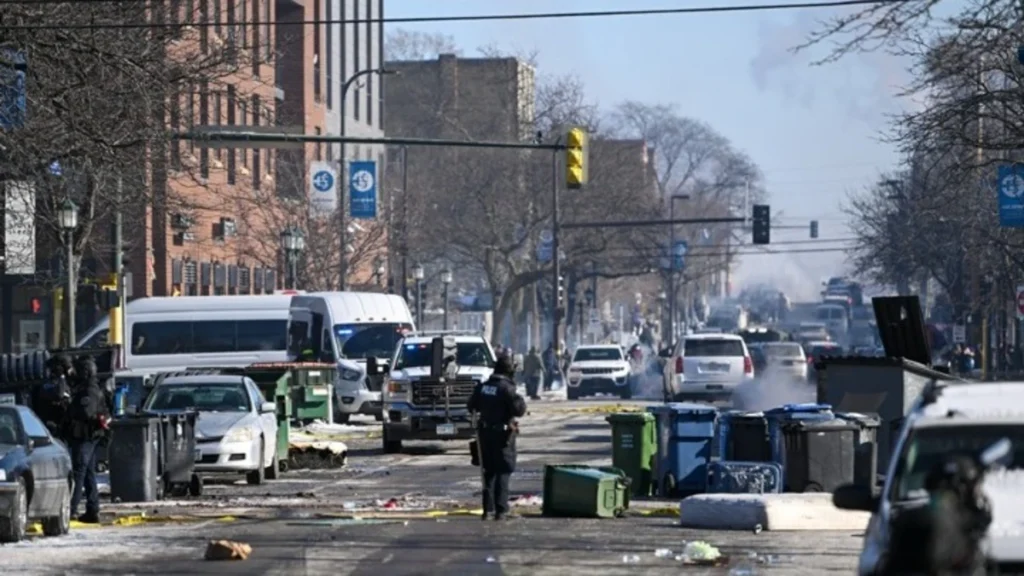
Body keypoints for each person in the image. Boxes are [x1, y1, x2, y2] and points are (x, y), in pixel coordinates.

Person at [467, 356, 527, 521]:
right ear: (509, 371)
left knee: (489, 471)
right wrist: (519, 398)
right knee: (503, 470)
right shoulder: (506, 388)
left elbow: (471, 405)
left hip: (485, 434)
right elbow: (519, 410)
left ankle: (488, 509)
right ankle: (501, 510)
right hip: (503, 436)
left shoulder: (483, 387)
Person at [67, 356, 110, 524]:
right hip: (87, 437)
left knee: (78, 473)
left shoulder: (89, 391)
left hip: (85, 437)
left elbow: (86, 413)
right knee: (88, 474)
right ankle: (92, 509)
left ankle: (71, 509)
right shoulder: (87, 388)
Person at [35, 355, 74, 440]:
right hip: (52, 429)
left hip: (65, 428)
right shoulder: (48, 385)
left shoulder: (65, 384)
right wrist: (61, 376)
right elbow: (58, 394)